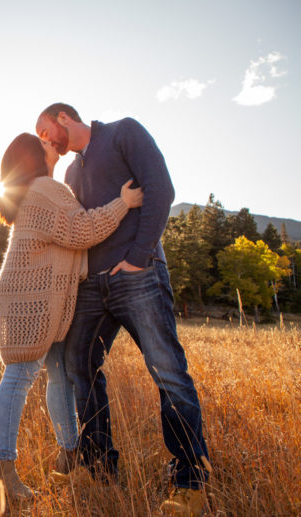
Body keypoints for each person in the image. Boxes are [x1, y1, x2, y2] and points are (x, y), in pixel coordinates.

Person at [36, 103, 211, 516]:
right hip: (93, 286)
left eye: (44, 129)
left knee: (167, 370)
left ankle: (189, 478)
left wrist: (137, 257)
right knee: (80, 364)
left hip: (139, 275)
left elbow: (160, 190)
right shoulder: (71, 172)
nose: (43, 139)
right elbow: (82, 226)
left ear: (63, 117)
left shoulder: (123, 132)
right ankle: (98, 466)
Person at [0, 132, 143, 503]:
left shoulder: (41, 189)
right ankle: (1, 471)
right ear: (32, 158)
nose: (49, 143)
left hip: (45, 300)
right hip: (33, 301)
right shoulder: (44, 188)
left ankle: (69, 455)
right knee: (20, 376)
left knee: (58, 374)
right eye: (41, 142)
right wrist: (123, 203)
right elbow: (81, 230)